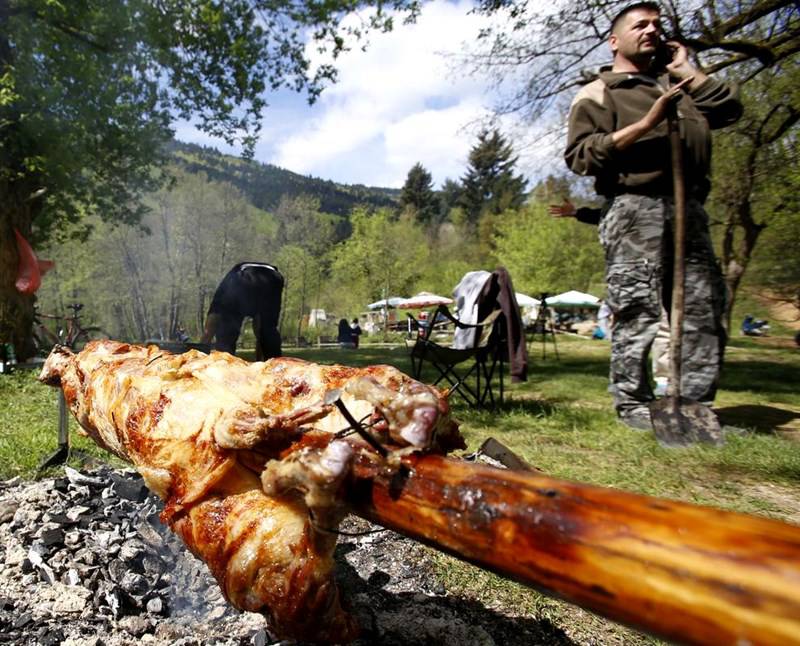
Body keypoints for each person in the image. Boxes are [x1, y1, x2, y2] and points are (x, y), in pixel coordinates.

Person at [564, 2, 742, 431]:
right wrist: (646, 123)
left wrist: (688, 70)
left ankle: (695, 403)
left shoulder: (682, 89)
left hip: (689, 208)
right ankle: (634, 404)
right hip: (634, 206)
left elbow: (730, 109)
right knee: (636, 307)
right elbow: (581, 156)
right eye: (639, 25)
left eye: (657, 25)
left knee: (701, 306)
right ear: (614, 40)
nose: (651, 31)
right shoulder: (600, 92)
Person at [201, 262, 284, 360]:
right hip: (272, 279)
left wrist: (201, 353)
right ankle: (273, 368)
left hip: (241, 277)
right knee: (267, 330)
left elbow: (210, 325)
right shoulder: (268, 277)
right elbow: (260, 330)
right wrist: (259, 364)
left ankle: (223, 364)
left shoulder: (228, 285)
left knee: (226, 332)